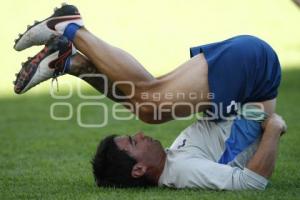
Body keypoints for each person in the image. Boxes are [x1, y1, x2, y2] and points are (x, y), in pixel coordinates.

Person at [13, 4, 286, 190]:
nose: (140, 134)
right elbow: (249, 183)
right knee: (149, 104)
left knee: (145, 106)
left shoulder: (174, 157)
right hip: (253, 74)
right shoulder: (183, 171)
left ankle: (72, 63)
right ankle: (70, 29)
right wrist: (272, 129)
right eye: (134, 141)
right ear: (139, 170)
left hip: (249, 79)